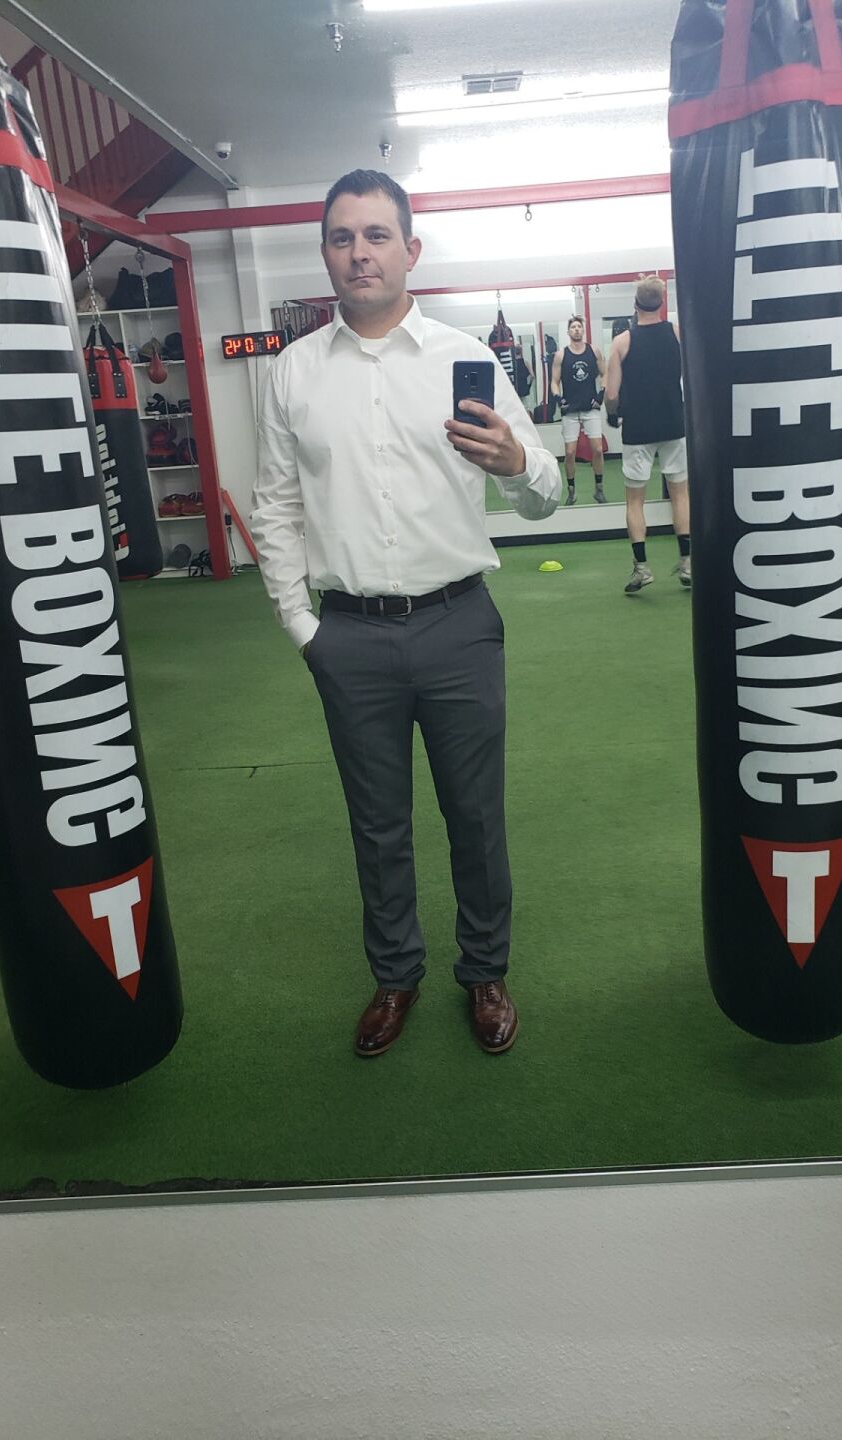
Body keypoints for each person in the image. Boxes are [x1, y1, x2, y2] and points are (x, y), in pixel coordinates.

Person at [250, 170, 560, 1059]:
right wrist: (302, 626)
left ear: (410, 249)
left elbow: (546, 491)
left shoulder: (466, 359)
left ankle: (485, 972)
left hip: (460, 626)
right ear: (325, 254)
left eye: (377, 235)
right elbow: (274, 505)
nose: (361, 253)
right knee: (376, 824)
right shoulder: (294, 372)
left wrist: (514, 464)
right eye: (343, 237)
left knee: (476, 817)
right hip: (349, 633)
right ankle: (395, 976)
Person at [605, 276, 691, 592]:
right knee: (680, 494)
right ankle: (687, 563)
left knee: (634, 501)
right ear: (661, 303)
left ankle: (642, 568)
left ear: (635, 305)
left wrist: (612, 413)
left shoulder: (622, 342)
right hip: (673, 423)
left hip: (638, 428)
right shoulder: (678, 334)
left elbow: (611, 394)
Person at [551, 316, 607, 505]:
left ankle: (599, 489)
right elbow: (554, 382)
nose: (576, 329)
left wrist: (601, 395)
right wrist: (558, 399)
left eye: (579, 327)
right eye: (573, 327)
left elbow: (605, 373)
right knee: (569, 452)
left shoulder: (594, 351)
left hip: (590, 407)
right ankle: (571, 492)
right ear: (568, 332)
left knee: (597, 449)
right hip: (570, 410)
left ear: (583, 330)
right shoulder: (561, 355)